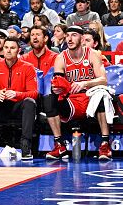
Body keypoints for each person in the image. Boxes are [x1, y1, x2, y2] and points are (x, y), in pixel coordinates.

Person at [45, 26, 112, 160]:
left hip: (90, 96)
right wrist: (58, 88)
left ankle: (105, 144)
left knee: (101, 94)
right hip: (72, 99)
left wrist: (84, 83)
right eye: (68, 35)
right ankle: (59, 145)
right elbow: (58, 81)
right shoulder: (61, 57)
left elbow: (103, 80)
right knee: (48, 99)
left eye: (74, 35)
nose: (69, 38)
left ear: (81, 39)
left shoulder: (93, 54)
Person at [0, 37, 39, 161]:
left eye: (12, 48)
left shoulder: (28, 67)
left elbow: (34, 93)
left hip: (19, 107)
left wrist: (17, 94)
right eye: (6, 47)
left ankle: (25, 144)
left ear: (19, 50)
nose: (8, 51)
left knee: (30, 102)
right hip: (1, 106)